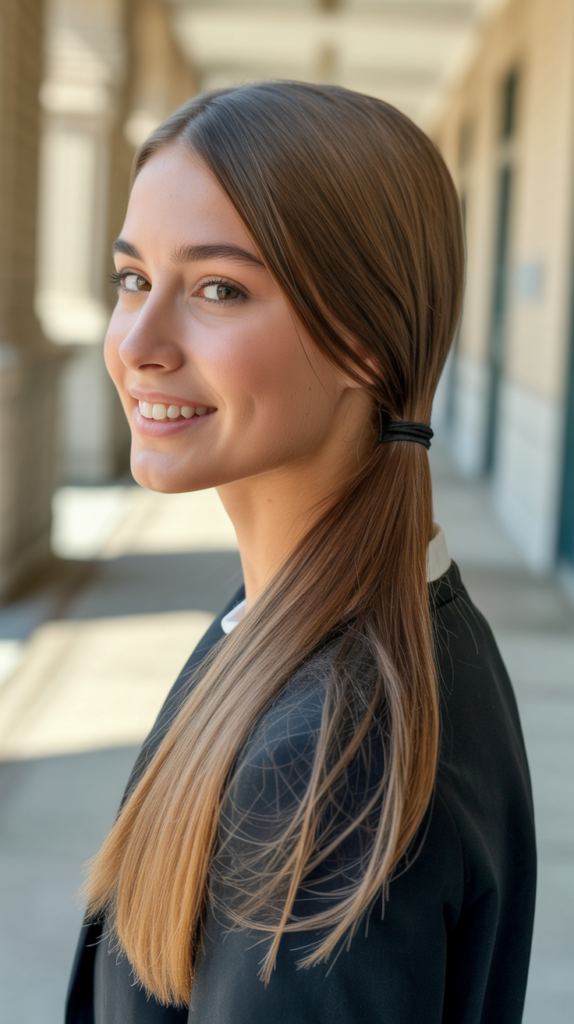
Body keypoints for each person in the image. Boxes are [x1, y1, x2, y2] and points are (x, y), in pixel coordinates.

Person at [66, 82, 536, 1024]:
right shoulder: (326, 624)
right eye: (132, 280)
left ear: (366, 339)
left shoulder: (323, 777)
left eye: (217, 289)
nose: (138, 344)